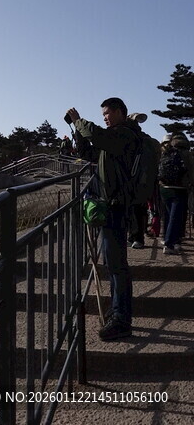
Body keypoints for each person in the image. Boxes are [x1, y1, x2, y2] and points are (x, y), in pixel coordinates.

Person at [67, 97, 141, 341]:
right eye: (103, 115)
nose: (106, 117)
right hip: (107, 208)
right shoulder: (113, 138)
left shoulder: (125, 135)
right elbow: (90, 152)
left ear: (120, 112)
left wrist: (80, 122)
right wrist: (76, 132)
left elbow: (99, 137)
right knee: (113, 264)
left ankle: (122, 319)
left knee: (117, 266)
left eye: (108, 113)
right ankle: (118, 311)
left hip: (116, 208)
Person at [127, 113, 160, 249]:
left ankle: (137, 237)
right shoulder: (147, 140)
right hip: (143, 179)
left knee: (136, 209)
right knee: (137, 209)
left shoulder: (135, 138)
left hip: (135, 180)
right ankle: (135, 237)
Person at [160, 132, 193, 255]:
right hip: (179, 188)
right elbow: (191, 171)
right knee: (176, 217)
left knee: (168, 216)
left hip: (164, 188)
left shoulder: (167, 151)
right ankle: (170, 244)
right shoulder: (186, 154)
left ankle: (167, 239)